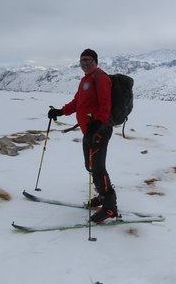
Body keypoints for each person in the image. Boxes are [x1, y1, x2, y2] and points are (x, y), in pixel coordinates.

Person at [47, 49, 118, 223]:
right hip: (89, 131)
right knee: (91, 166)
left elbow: (105, 104)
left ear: (95, 61)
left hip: (99, 130)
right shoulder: (86, 79)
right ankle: (102, 196)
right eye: (81, 61)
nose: (84, 63)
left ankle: (110, 208)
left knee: (99, 168)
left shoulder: (101, 78)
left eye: (88, 59)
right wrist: (61, 111)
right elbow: (77, 103)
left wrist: (98, 123)